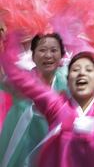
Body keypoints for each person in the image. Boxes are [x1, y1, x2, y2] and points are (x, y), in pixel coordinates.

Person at [0, 34, 94, 167]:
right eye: (76, 70)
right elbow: (17, 75)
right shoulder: (57, 105)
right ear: (68, 79)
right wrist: (13, 35)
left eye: (89, 70)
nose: (82, 73)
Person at [0, 33, 68, 167]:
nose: (48, 55)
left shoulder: (67, 82)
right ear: (33, 56)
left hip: (54, 150)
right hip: (21, 149)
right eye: (42, 50)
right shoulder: (21, 81)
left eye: (54, 50)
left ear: (61, 56)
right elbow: (3, 76)